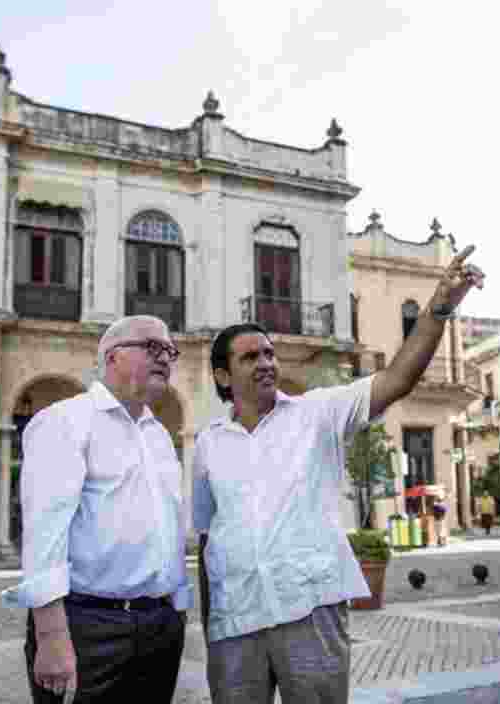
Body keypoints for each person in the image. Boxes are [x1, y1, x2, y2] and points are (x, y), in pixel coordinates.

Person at [193, 246, 484, 703]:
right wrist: (211, 627)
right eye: (251, 357)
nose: (267, 363)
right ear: (223, 375)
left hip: (309, 610)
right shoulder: (208, 443)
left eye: (269, 353)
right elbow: (209, 537)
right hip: (235, 620)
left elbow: (398, 379)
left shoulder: (318, 413)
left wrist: (440, 307)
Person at [2, 315, 193, 704]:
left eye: (169, 351)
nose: (165, 358)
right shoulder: (65, 421)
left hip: (160, 627)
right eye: (151, 347)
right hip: (87, 628)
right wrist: (51, 638)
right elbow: (45, 537)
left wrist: (177, 610)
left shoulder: (158, 435)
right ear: (112, 357)